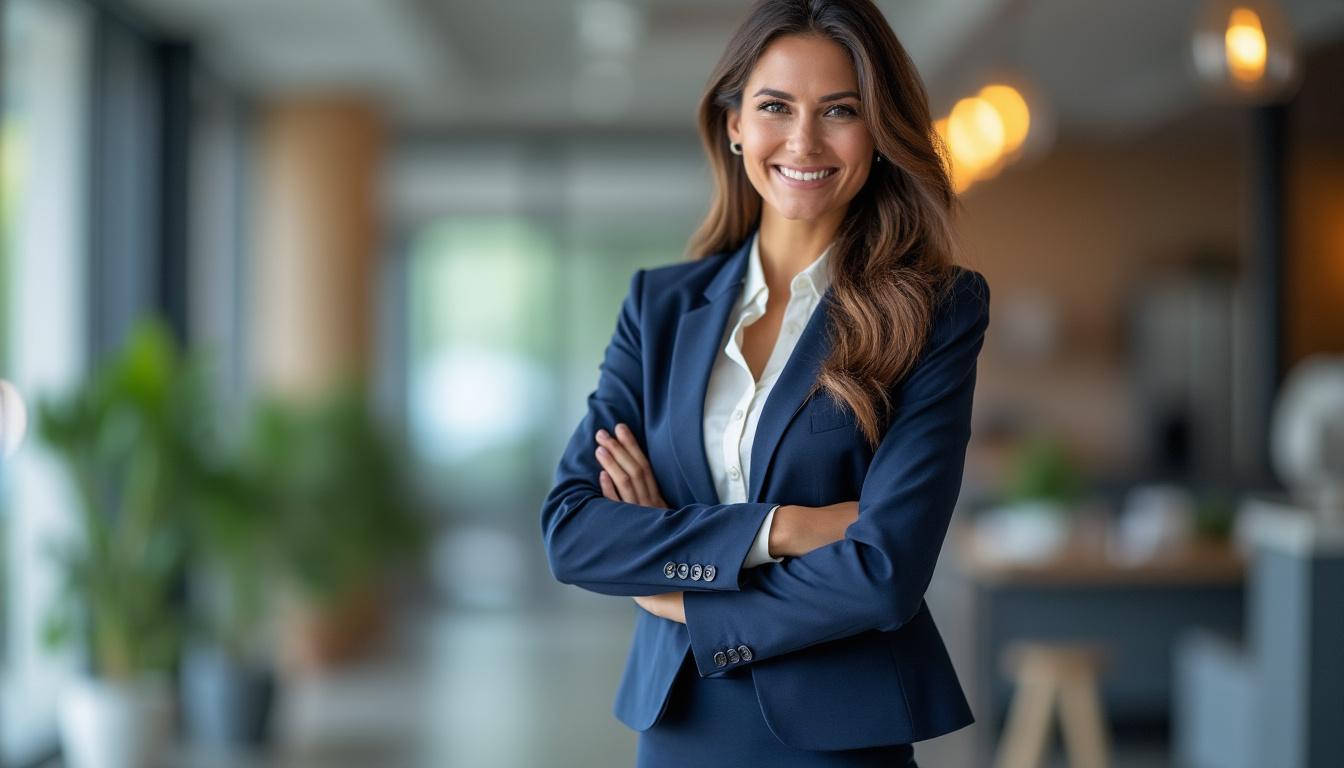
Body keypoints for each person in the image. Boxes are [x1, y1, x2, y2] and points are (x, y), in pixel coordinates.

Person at [540, 0, 990, 764]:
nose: (804, 140)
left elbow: (886, 572)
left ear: (878, 130)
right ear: (735, 123)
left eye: (839, 110)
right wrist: (778, 528)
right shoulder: (660, 307)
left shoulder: (936, 311)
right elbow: (575, 533)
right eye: (775, 106)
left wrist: (674, 591)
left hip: (840, 733)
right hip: (679, 724)